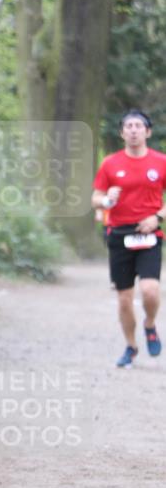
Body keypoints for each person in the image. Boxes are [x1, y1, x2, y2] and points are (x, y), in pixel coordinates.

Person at [91, 110, 166, 367]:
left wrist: (158, 216)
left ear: (148, 132)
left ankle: (150, 324)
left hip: (149, 234)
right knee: (124, 299)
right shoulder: (110, 164)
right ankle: (131, 347)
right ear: (122, 133)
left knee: (150, 291)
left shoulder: (161, 162)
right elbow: (96, 199)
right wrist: (107, 199)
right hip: (120, 234)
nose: (133, 130)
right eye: (128, 126)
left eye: (138, 126)